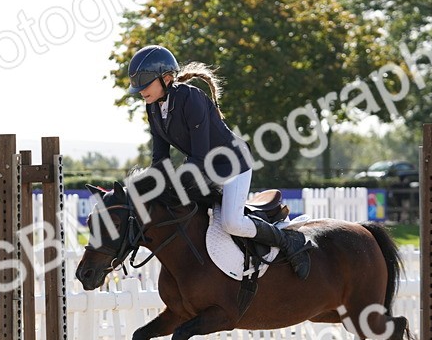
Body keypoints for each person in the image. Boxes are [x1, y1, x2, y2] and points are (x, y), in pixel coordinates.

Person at [127, 44, 312, 279]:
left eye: (146, 84)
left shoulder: (190, 98)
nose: (141, 91)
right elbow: (160, 159)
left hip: (232, 165)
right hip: (205, 169)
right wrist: (146, 191)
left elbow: (200, 157)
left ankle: (288, 240)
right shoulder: (153, 108)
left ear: (166, 78)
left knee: (231, 223)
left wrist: (173, 185)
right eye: (139, 86)